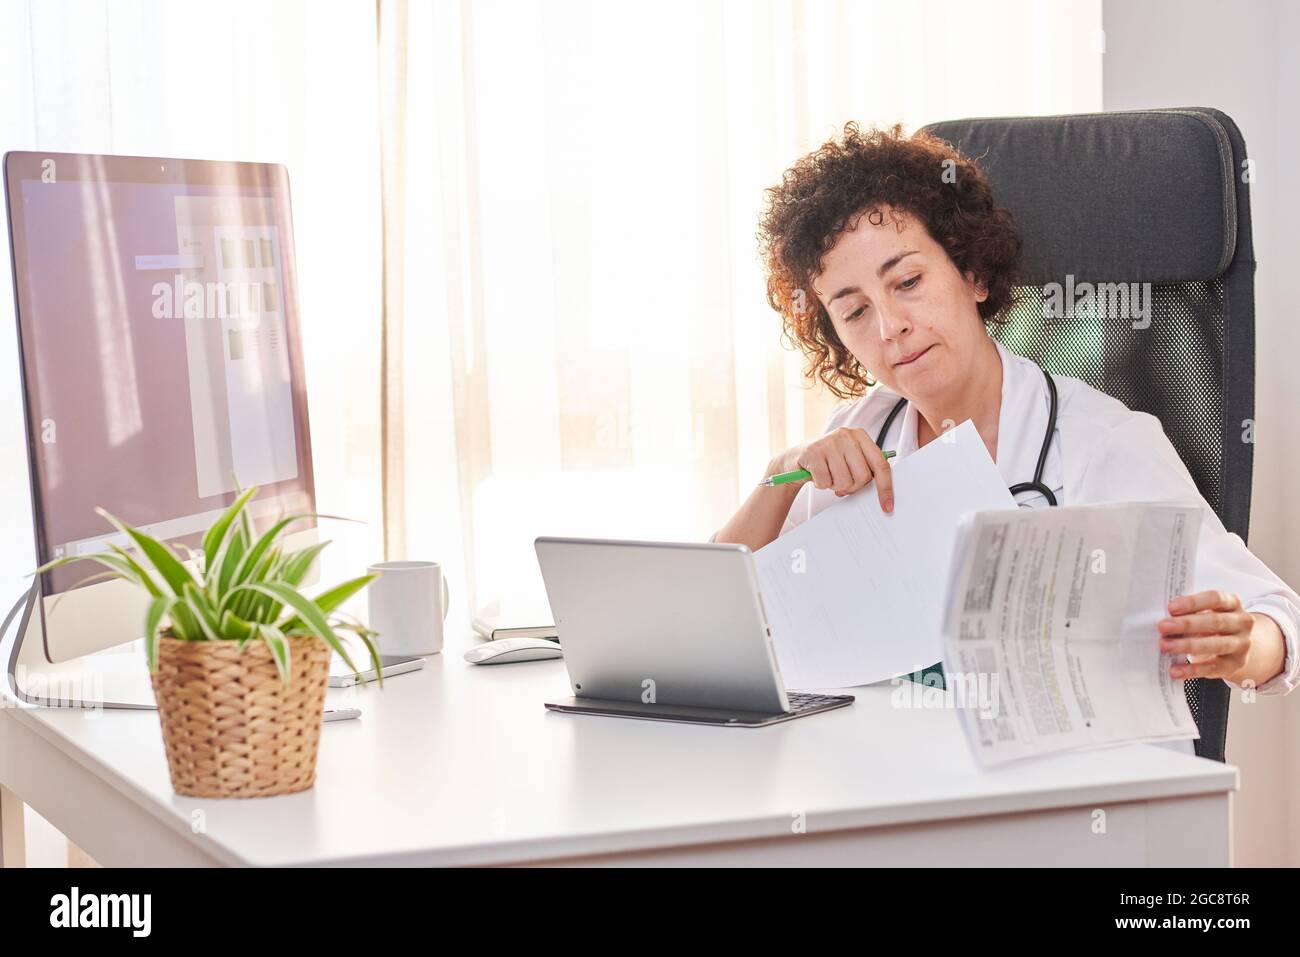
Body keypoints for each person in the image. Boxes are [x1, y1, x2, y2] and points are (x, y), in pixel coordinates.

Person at [712, 122, 1298, 712]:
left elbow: (1274, 619)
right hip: (893, 784)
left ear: (972, 273)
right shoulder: (852, 439)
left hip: (1061, 784)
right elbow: (711, 623)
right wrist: (780, 476)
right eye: (856, 311)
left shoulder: (1099, 442)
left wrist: (1242, 644)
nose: (890, 327)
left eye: (908, 282)